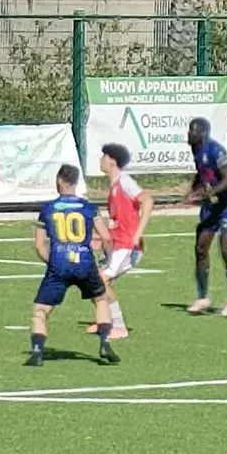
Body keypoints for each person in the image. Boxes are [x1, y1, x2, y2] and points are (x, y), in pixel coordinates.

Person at [29, 165, 119, 367]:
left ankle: (37, 351)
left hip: (59, 263)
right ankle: (105, 342)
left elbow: (38, 244)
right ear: (76, 183)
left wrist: (51, 262)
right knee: (101, 300)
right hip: (85, 262)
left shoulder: (48, 209)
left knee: (41, 310)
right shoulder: (89, 208)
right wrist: (108, 259)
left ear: (59, 181)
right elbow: (106, 237)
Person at [90, 143, 150, 340]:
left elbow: (147, 201)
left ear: (112, 161)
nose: (101, 159)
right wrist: (101, 240)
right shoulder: (115, 185)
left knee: (100, 280)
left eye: (104, 156)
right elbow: (119, 221)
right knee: (90, 279)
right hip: (117, 244)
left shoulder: (125, 181)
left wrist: (137, 235)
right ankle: (104, 320)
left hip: (127, 246)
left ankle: (120, 326)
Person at [184, 117, 227, 317]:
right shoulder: (196, 151)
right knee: (201, 247)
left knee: (226, 249)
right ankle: (202, 298)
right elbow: (201, 174)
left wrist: (209, 193)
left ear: (202, 133)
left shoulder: (216, 150)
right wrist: (192, 191)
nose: (189, 133)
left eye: (192, 130)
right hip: (213, 205)